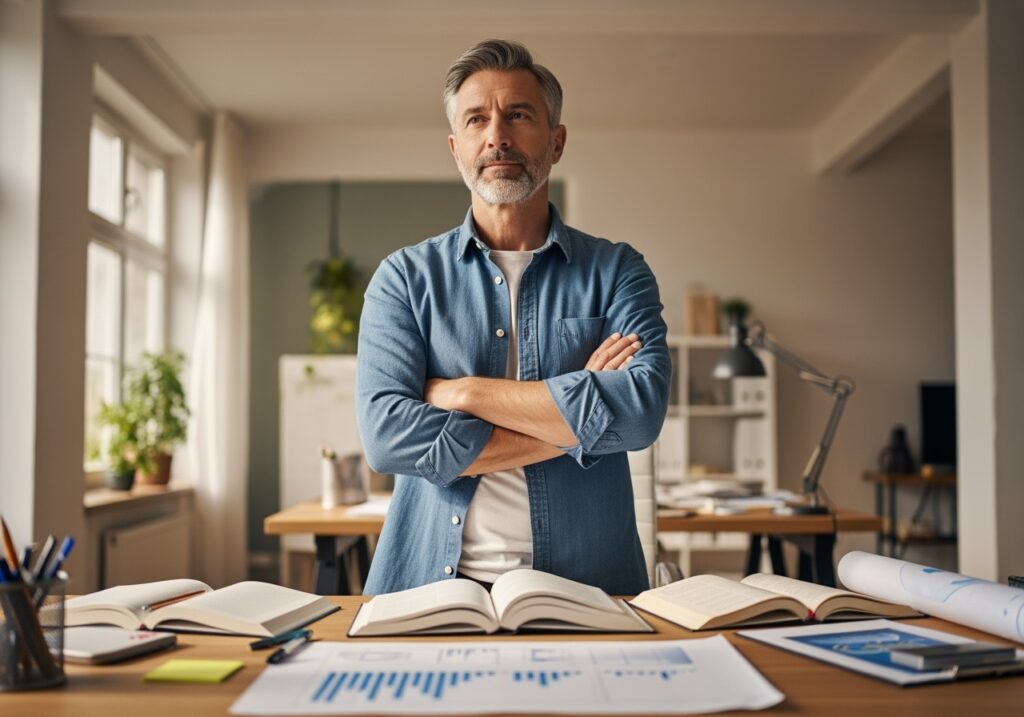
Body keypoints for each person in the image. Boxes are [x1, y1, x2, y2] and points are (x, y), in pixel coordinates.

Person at [357, 39, 670, 596]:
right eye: (477, 119)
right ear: (456, 148)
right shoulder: (403, 277)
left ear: (557, 141)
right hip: (429, 589)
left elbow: (641, 413)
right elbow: (387, 438)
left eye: (519, 115)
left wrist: (464, 392)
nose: (497, 136)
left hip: (589, 591)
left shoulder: (619, 270)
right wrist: (579, 420)